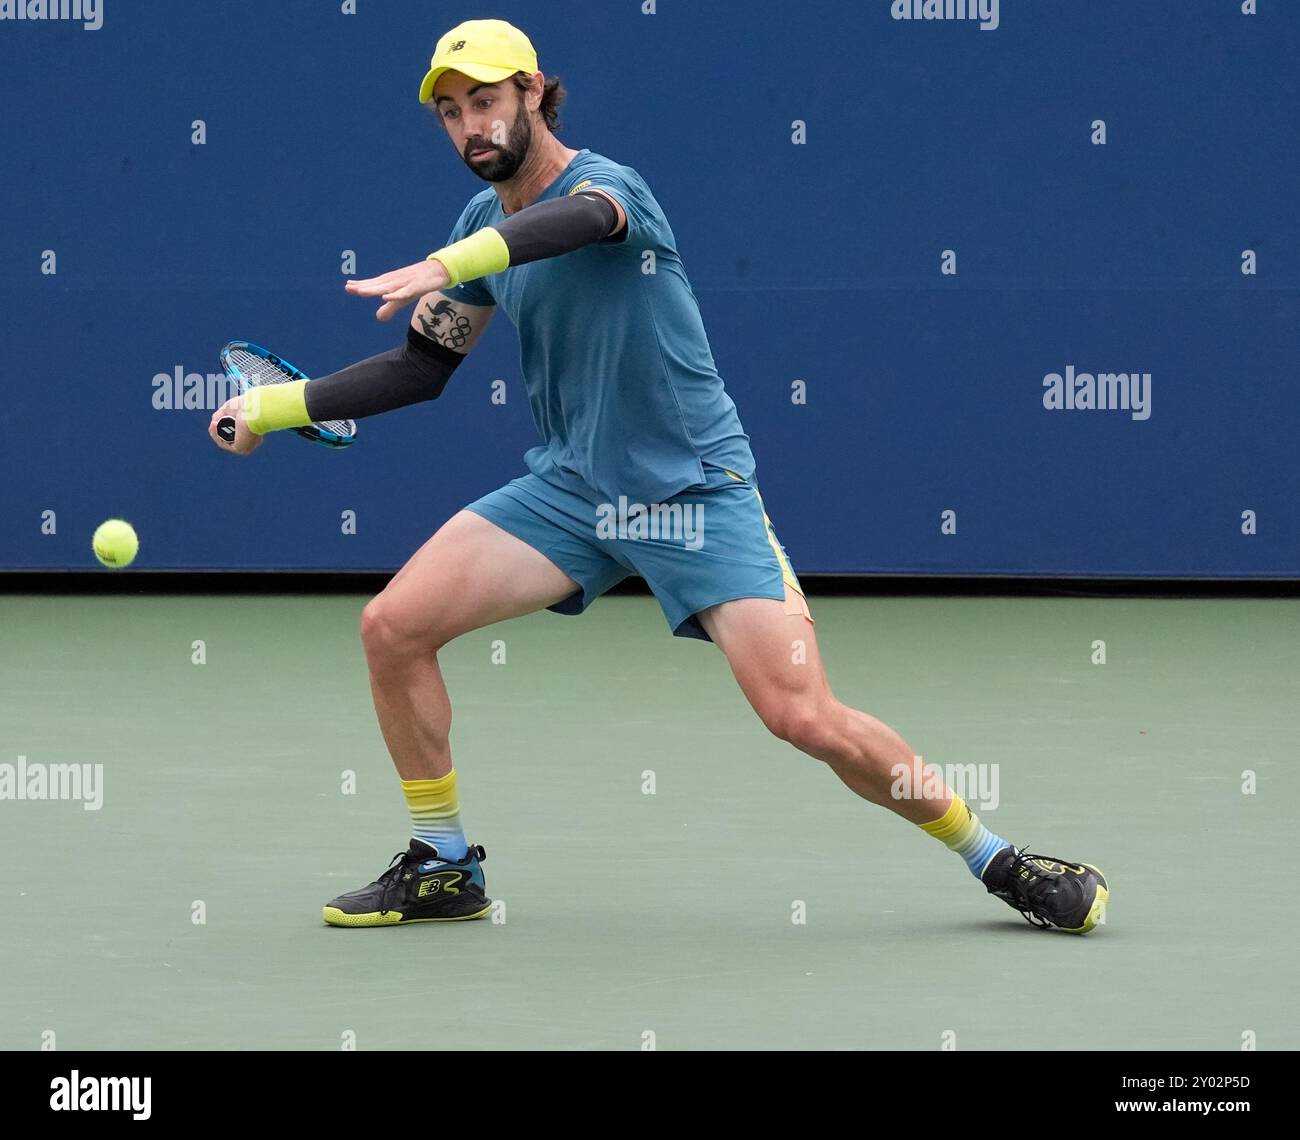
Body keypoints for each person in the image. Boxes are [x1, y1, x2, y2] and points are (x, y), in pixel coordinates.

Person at [209, 19, 1108, 934]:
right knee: (393, 628)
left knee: (802, 716)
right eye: (449, 113)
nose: (470, 126)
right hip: (571, 493)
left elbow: (575, 225)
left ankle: (996, 859)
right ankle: (444, 863)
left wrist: (450, 262)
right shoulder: (480, 223)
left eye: (484, 101)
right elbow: (419, 368)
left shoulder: (611, 190)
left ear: (532, 92)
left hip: (694, 493)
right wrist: (274, 412)